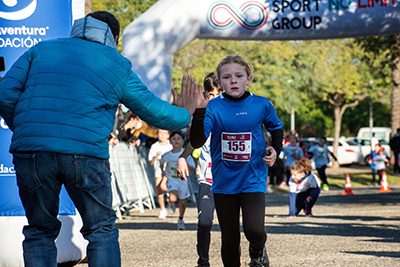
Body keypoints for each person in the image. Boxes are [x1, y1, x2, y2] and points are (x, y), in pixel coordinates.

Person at [0, 11, 200, 267]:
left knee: (39, 230)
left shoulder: (41, 50)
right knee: (100, 230)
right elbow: (153, 111)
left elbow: (5, 93)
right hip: (85, 154)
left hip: (32, 153)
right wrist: (185, 114)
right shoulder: (115, 63)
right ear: (113, 37)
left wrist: (27, 128)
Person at [190, 54, 284, 267]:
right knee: (230, 239)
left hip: (253, 178)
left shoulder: (261, 104)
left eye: (239, 76)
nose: (233, 80)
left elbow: (276, 128)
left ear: (248, 79)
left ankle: (258, 250)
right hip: (224, 182)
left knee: (255, 230)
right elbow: (197, 141)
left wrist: (275, 149)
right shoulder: (213, 107)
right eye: (227, 77)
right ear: (220, 82)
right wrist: (199, 113)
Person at [177, 71, 223, 267]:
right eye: (210, 94)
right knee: (204, 223)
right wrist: (182, 157)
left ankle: (252, 253)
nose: (214, 98)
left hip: (231, 181)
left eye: (218, 93)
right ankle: (203, 262)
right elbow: (195, 142)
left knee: (233, 228)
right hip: (207, 179)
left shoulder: (237, 113)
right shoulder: (203, 116)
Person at [160, 130, 195, 230]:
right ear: (170, 141)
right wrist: (163, 171)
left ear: (182, 141)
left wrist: (186, 164)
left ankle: (180, 219)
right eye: (173, 138)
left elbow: (192, 168)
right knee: (173, 198)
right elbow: (161, 162)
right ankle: (171, 203)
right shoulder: (167, 155)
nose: (176, 141)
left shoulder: (186, 155)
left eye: (178, 138)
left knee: (182, 202)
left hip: (183, 181)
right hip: (172, 180)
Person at [148, 129, 172, 219]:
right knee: (159, 190)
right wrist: (156, 157)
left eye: (165, 133)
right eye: (160, 133)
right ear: (157, 135)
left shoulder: (171, 145)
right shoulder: (154, 146)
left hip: (170, 171)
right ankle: (162, 209)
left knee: (168, 187)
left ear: (168, 135)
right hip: (159, 171)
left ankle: (171, 199)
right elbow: (151, 162)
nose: (162, 135)